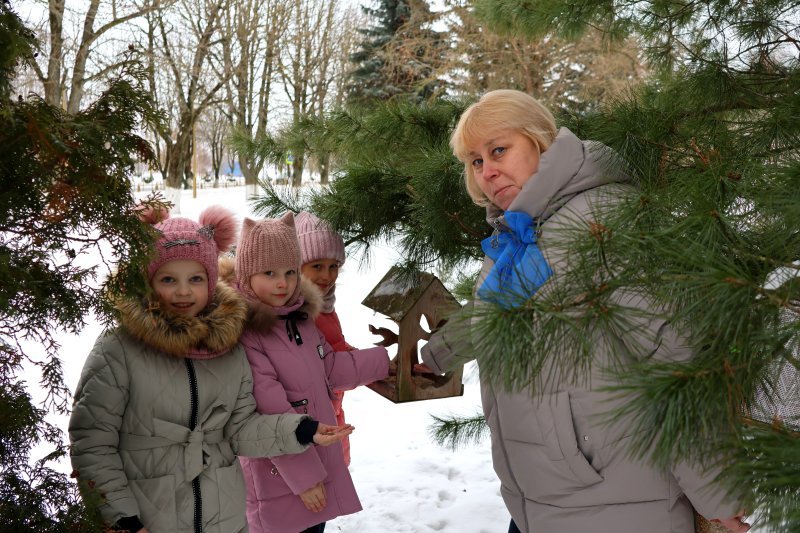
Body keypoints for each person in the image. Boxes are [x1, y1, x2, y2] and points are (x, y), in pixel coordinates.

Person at [420, 89, 750, 533]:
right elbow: (490, 315)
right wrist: (432, 358)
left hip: (617, 501)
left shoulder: (605, 221)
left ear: (540, 141)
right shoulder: (520, 233)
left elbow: (674, 358)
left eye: (499, 150)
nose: (488, 171)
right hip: (536, 501)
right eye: (476, 161)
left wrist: (718, 490)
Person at [69, 205, 352, 533]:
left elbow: (241, 426)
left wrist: (300, 430)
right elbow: (92, 440)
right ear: (148, 280)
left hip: (224, 520)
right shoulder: (118, 349)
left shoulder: (226, 346)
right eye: (168, 279)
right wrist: (122, 518)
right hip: (149, 518)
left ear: (211, 281)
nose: (184, 291)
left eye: (196, 278)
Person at [225, 211, 390, 533]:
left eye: (289, 271)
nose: (283, 283)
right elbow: (269, 413)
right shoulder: (247, 334)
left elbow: (329, 367)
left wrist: (385, 363)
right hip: (279, 480)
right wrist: (306, 479)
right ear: (247, 273)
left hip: (317, 461)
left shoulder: (298, 319)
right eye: (269, 272)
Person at [295, 210, 358, 466]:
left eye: (334, 266)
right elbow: (328, 366)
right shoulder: (298, 313)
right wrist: (375, 365)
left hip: (332, 412)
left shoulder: (325, 305)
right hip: (311, 425)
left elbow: (335, 348)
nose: (327, 276)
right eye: (317, 266)